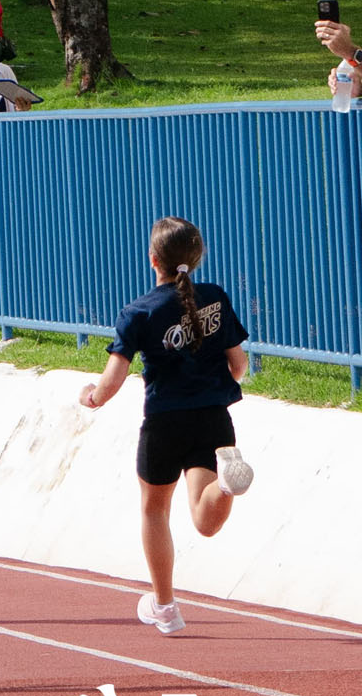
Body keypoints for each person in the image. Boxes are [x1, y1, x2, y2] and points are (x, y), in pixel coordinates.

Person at [79, 216, 254, 635]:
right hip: (214, 418)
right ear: (196, 259)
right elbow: (240, 365)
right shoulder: (215, 297)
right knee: (205, 520)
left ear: (153, 259)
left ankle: (165, 607)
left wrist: (92, 396)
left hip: (164, 424)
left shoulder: (139, 312)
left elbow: (113, 379)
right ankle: (226, 485)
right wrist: (218, 385)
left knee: (154, 508)